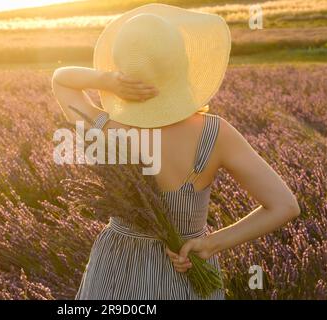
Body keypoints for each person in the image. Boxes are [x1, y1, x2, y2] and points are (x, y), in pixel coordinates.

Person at [51, 3, 300, 299]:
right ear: (182, 64)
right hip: (182, 271)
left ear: (123, 70)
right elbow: (285, 206)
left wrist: (108, 81)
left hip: (114, 269)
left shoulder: (102, 127)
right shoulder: (215, 133)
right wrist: (211, 244)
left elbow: (61, 79)